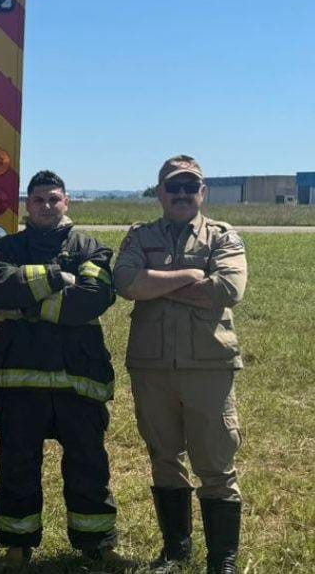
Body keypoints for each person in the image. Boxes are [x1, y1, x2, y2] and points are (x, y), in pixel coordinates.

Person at [0, 170, 134, 571]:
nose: (47, 206)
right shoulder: (7, 248)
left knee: (89, 464)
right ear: (27, 205)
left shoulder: (93, 249)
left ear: (67, 202)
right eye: (39, 200)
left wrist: (29, 304)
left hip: (77, 377)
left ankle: (98, 543)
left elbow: (92, 299)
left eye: (54, 199)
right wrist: (56, 277)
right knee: (17, 465)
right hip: (20, 378)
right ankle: (16, 547)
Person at [114, 156, 248, 574]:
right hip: (152, 367)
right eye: (174, 187)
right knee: (164, 458)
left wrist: (158, 283)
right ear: (160, 193)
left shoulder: (224, 236)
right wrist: (191, 274)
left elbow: (227, 289)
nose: (183, 194)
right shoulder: (140, 235)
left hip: (208, 365)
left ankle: (221, 559)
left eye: (192, 187)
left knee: (215, 465)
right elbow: (127, 284)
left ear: (202, 194)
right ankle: (175, 551)